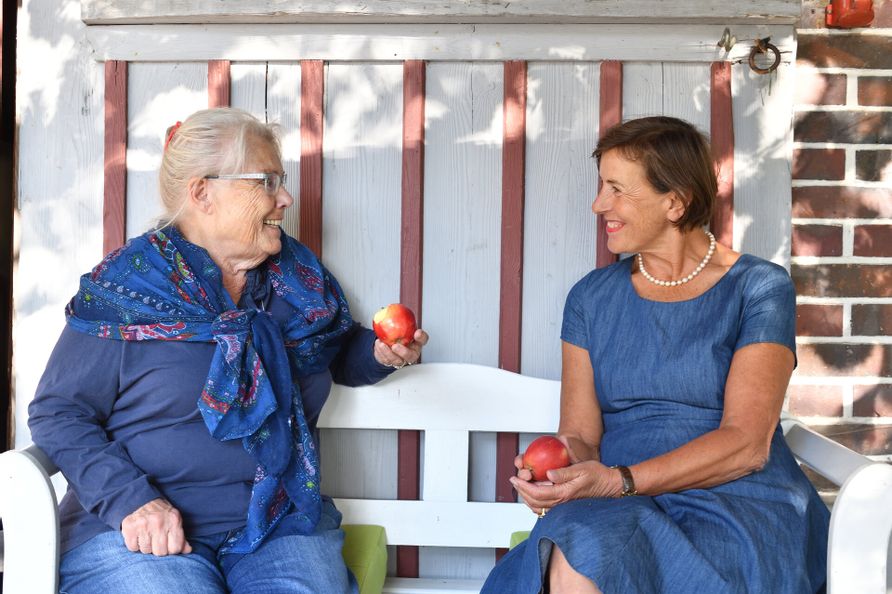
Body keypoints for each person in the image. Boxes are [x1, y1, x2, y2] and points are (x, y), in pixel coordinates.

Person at [28, 107, 429, 594]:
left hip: (279, 524)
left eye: (281, 180)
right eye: (266, 181)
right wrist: (130, 501)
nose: (285, 198)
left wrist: (380, 354)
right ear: (202, 193)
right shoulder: (128, 291)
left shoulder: (297, 283)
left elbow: (334, 353)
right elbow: (59, 411)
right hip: (142, 530)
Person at [481, 116, 829, 593]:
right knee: (580, 550)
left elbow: (747, 444)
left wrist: (618, 480)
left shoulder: (759, 288)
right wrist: (557, 470)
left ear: (675, 201)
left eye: (617, 190)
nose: (599, 204)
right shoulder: (590, 297)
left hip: (734, 499)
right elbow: (581, 434)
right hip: (621, 504)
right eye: (601, 186)